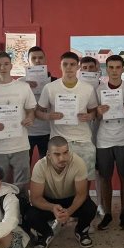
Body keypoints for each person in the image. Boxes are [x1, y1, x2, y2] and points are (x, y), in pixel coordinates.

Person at [37, 51, 99, 210]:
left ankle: (81, 212)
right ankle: (61, 213)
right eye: (65, 64)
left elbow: (94, 112)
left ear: (78, 67)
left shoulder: (87, 89)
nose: (69, 68)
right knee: (59, 184)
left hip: (83, 141)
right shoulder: (50, 88)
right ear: (60, 66)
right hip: (60, 142)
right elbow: (38, 112)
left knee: (85, 181)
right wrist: (48, 116)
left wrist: (89, 116)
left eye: (72, 64)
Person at [24, 135, 99, 248]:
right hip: (49, 201)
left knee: (90, 208)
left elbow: (81, 194)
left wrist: (69, 211)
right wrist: (52, 207)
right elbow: (35, 198)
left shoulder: (78, 162)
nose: (62, 158)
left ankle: (81, 230)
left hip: (71, 199)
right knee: (30, 215)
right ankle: (45, 233)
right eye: (57, 154)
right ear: (49, 155)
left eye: (65, 153)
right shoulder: (40, 166)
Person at [0, 51, 36, 189]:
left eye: (6, 64)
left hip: (20, 145)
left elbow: (31, 110)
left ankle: (21, 203)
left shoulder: (23, 87)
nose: (2, 67)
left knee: (22, 184)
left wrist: (29, 118)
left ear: (11, 66)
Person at [94, 54, 124, 230]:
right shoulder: (99, 90)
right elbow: (94, 115)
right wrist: (98, 112)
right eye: (111, 67)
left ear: (123, 69)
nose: (114, 71)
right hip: (104, 139)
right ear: (106, 69)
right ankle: (107, 214)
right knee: (105, 177)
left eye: (118, 67)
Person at [22, 46, 53, 164]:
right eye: (33, 58)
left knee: (47, 167)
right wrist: (24, 87)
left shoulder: (54, 82)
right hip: (26, 132)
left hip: (48, 131)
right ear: (28, 61)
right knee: (24, 167)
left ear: (45, 59)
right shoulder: (20, 83)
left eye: (40, 57)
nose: (37, 60)